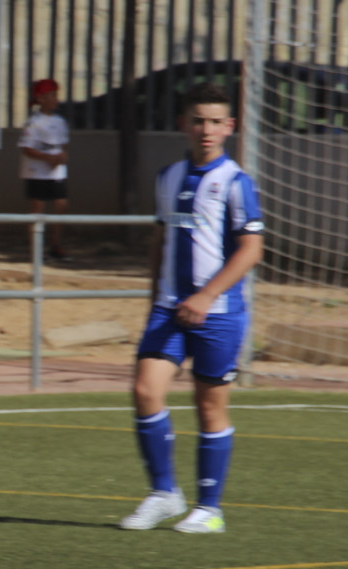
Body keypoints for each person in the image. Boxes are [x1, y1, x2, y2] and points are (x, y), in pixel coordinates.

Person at [120, 82, 263, 534]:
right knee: (145, 390)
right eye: (198, 120)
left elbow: (250, 250)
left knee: (209, 408)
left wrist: (205, 296)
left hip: (217, 313)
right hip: (168, 309)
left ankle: (209, 509)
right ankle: (164, 493)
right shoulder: (168, 177)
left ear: (229, 127)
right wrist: (153, 300)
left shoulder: (236, 184)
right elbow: (161, 240)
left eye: (215, 121)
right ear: (183, 124)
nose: (206, 129)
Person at [18, 78, 71, 262]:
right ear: (41, 99)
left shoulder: (60, 121)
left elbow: (63, 145)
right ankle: (36, 250)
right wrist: (47, 158)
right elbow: (26, 147)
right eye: (52, 95)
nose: (56, 99)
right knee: (37, 210)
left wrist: (62, 157)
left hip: (57, 172)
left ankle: (56, 246)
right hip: (36, 172)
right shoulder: (34, 122)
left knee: (60, 205)